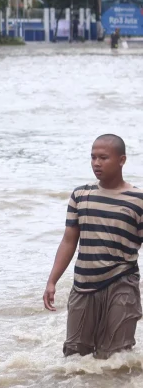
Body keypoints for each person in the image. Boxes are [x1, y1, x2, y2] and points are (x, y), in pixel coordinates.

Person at [44, 134, 143, 358]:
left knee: (117, 357)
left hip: (122, 283)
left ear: (122, 160)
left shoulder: (138, 200)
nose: (96, 163)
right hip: (83, 284)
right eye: (93, 157)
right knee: (76, 356)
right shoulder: (80, 195)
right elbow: (69, 241)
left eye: (103, 158)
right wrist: (52, 280)